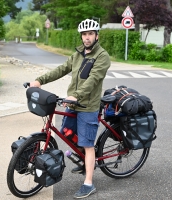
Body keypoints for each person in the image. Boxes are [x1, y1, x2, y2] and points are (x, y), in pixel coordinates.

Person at [30, 19, 111, 199]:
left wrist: (76, 95)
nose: (87, 37)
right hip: (73, 103)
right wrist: (39, 80)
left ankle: (88, 183)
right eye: (84, 34)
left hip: (88, 106)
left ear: (97, 35)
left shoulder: (102, 56)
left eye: (90, 34)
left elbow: (93, 80)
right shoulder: (78, 54)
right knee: (66, 133)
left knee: (87, 145)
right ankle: (85, 161)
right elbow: (61, 69)